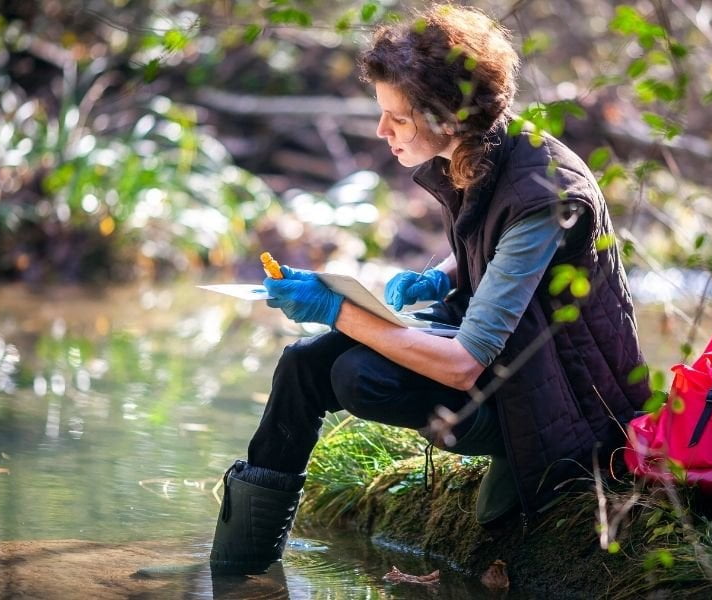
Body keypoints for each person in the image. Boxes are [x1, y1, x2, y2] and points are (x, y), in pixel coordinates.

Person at [210, 4, 650, 576]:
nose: (380, 131)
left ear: (449, 114)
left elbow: (463, 364)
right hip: (517, 359)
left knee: (357, 376)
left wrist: (337, 307)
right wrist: (441, 275)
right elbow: (492, 242)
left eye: (396, 117)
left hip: (562, 401)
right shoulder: (485, 148)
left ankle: (517, 459)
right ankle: (239, 569)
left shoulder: (547, 195)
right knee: (304, 364)